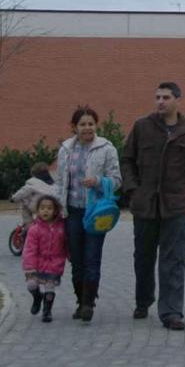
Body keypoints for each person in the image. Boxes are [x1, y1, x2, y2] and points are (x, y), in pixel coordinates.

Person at [121, 81, 185, 331]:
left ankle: (171, 312)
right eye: (157, 97)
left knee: (173, 260)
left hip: (175, 208)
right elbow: (127, 160)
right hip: (145, 206)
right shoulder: (142, 127)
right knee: (143, 258)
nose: (160, 101)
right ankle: (143, 300)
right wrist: (134, 190)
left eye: (165, 97)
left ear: (177, 100)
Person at [56, 106, 121, 323]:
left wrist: (99, 182)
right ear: (74, 127)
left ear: (96, 125)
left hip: (95, 212)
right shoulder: (66, 149)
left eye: (91, 124)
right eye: (82, 124)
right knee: (76, 260)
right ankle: (79, 300)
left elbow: (117, 180)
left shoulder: (106, 148)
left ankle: (88, 304)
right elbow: (60, 183)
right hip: (72, 212)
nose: (87, 128)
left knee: (92, 258)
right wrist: (58, 209)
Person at [21, 195, 69, 322]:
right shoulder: (34, 229)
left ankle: (47, 312)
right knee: (31, 285)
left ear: (55, 211)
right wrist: (30, 267)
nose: (45, 211)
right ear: (37, 210)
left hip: (55, 264)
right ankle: (37, 298)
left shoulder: (61, 228)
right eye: (42, 208)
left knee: (49, 288)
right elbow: (29, 249)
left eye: (49, 208)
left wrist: (71, 256)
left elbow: (66, 244)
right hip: (37, 264)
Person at [11, 161, 57, 227]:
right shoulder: (53, 183)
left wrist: (14, 198)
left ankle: (29, 225)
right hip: (53, 206)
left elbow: (23, 192)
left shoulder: (32, 181)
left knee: (24, 204)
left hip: (39, 205)